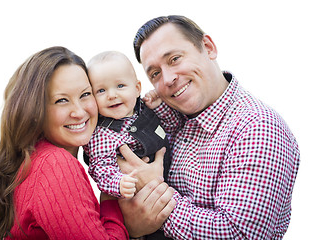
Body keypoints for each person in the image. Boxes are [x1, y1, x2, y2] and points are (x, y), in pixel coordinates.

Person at [116, 15, 300, 239]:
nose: (168, 79)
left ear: (208, 48)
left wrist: (154, 195)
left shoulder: (258, 128)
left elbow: (239, 234)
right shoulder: (169, 117)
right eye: (155, 73)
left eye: (174, 59)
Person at [0, 46, 174, 239]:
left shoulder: (36, 157)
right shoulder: (55, 164)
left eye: (85, 94)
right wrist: (122, 215)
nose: (79, 112)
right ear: (35, 110)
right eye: (61, 100)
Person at [84, 51, 172, 239]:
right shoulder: (103, 134)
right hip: (137, 201)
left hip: (171, 188)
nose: (112, 95)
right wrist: (118, 183)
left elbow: (171, 128)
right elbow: (100, 168)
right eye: (101, 91)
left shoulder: (145, 109)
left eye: (120, 86)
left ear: (137, 88)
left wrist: (160, 106)